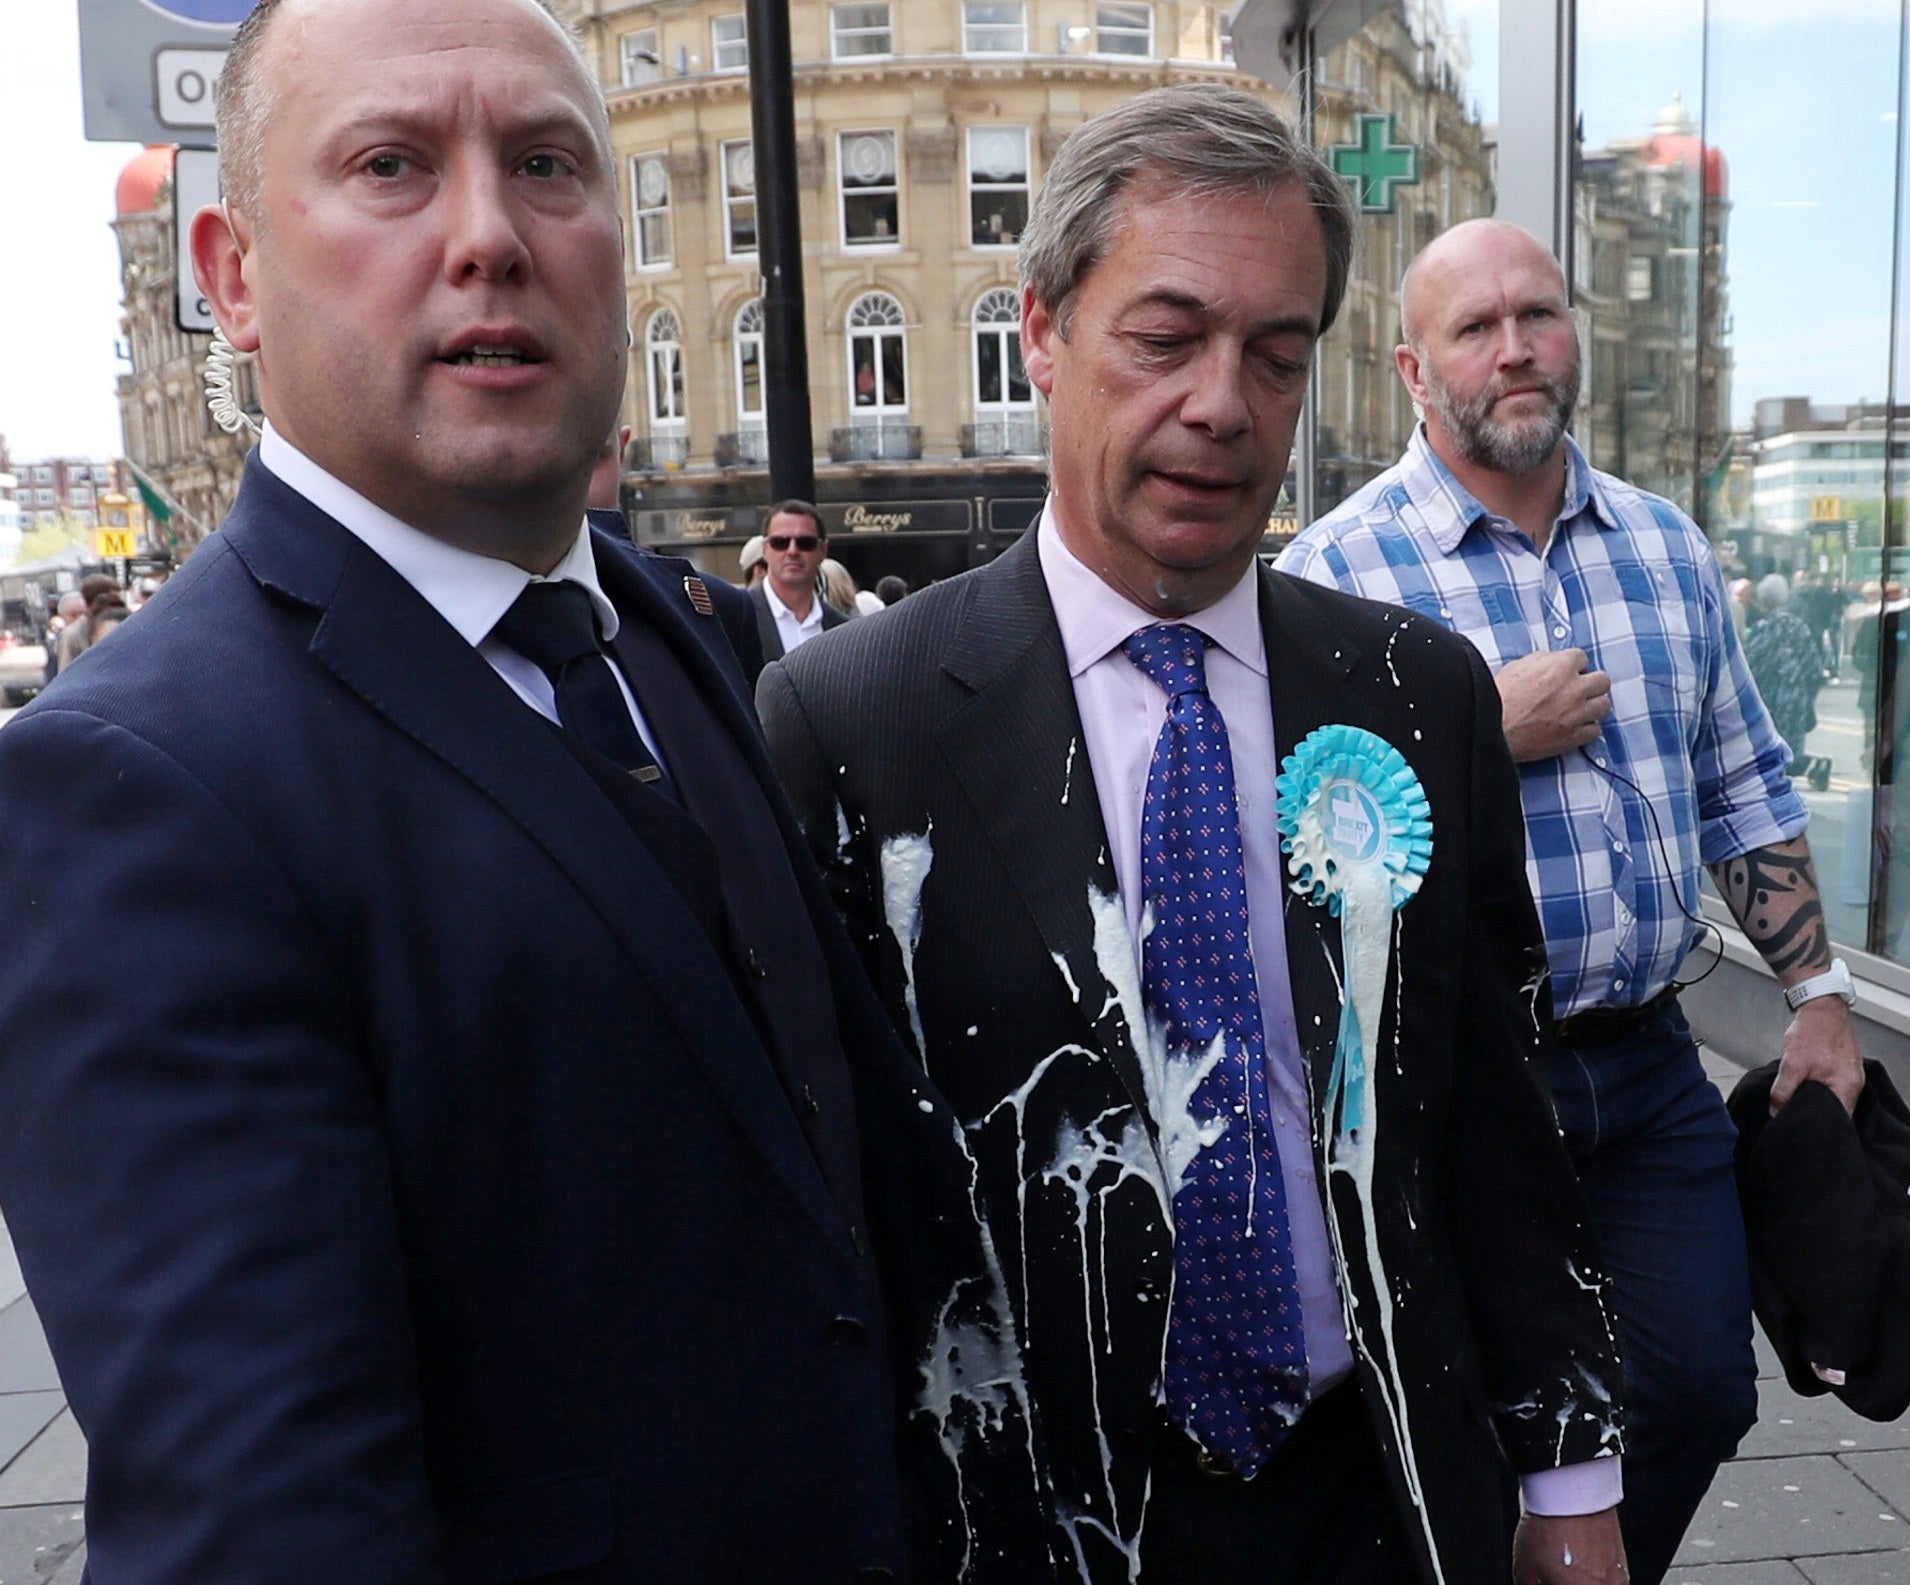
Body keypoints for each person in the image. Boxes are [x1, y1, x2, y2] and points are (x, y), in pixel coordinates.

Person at [0, 1, 1041, 1579]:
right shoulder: (135, 787)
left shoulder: (664, 632)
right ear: (231, 276)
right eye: (392, 166)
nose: (488, 234)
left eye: (546, 164)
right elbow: (271, 1521)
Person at [762, 85, 1625, 1585]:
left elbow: (1494, 1114)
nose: (1222, 404)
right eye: (1164, 340)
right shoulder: (852, 718)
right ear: (1040, 332)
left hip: (1383, 1497)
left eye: (1273, 355)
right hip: (1030, 1529)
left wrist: (1570, 1477)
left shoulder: (1414, 694)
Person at [1279, 217, 1865, 1585]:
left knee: (1697, 1392)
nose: (1514, 348)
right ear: (1411, 369)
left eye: (1535, 315)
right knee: (1476, 1403)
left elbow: (1745, 783)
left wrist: (1821, 1001)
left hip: (1649, 1066)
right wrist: (1478, 724)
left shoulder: (1664, 552)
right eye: (1474, 329)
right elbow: (1299, 845)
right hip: (1462, 1074)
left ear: (1574, 335)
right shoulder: (1332, 577)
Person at [1743, 574, 1829, 791]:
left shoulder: (1761, 629)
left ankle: (1789, 777)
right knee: (1791, 745)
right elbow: (1814, 667)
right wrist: (1807, 693)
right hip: (1794, 696)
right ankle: (1815, 767)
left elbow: (1751, 666)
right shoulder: (1798, 627)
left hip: (1769, 697)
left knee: (1769, 744)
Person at [749, 499, 848, 660]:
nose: (792, 551)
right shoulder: (738, 617)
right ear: (765, 549)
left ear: (823, 550)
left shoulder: (842, 628)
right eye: (780, 542)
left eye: (805, 543)